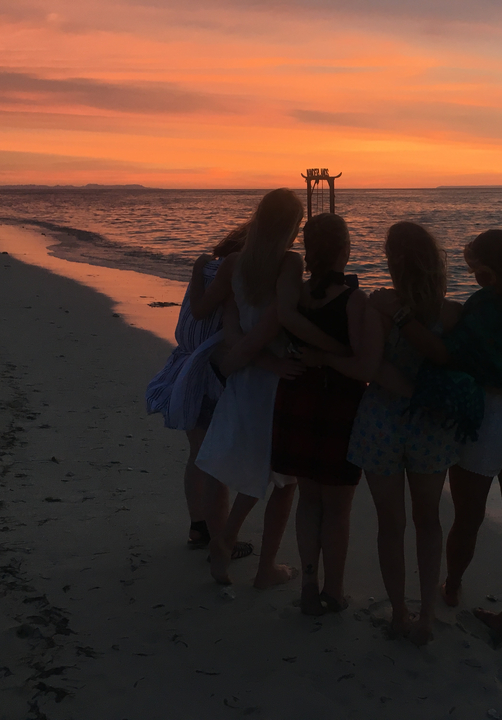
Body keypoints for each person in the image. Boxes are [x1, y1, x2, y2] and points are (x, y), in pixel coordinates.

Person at [372, 228, 502, 643]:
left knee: (467, 519)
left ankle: (450, 586)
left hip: (485, 423)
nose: (474, 278)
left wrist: (402, 318)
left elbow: (449, 356)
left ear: (493, 269)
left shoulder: (484, 307)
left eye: (476, 270)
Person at [194, 189, 347, 587]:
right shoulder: (289, 264)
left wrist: (238, 356)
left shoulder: (232, 264)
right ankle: (255, 560)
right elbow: (280, 319)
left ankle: (224, 540)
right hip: (278, 379)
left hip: (243, 376)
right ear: (293, 227)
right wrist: (336, 348)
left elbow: (214, 316)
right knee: (283, 477)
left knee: (229, 461)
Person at [318, 221, 460, 645]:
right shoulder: (451, 313)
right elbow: (456, 367)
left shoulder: (378, 306)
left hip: (382, 419)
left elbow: (372, 366)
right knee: (429, 521)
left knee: (390, 524)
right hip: (431, 425)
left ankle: (399, 613)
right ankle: (427, 617)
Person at [266, 213, 368, 615]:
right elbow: (358, 358)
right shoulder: (354, 300)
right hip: (338, 402)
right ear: (346, 250)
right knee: (337, 509)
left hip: (297, 397)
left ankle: (308, 584)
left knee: (309, 500)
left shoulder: (296, 296)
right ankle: (334, 590)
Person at [145, 221, 252, 556]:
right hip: (206, 375)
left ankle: (200, 527)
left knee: (197, 454)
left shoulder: (204, 270)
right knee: (214, 457)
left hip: (184, 368)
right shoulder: (232, 278)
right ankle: (221, 538)